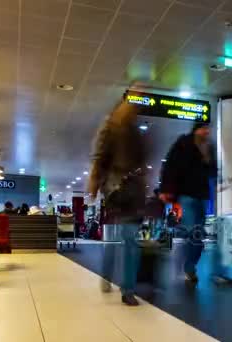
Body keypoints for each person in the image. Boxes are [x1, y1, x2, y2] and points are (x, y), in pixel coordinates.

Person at [88, 97, 147, 306]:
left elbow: (143, 162)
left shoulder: (137, 133)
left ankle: (128, 289)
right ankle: (106, 275)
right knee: (115, 239)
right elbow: (100, 156)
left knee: (131, 239)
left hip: (133, 192)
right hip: (114, 191)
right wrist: (94, 183)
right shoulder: (110, 127)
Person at [160, 122, 217, 283]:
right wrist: (165, 189)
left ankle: (190, 266)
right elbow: (170, 166)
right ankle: (185, 261)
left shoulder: (209, 147)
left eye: (208, 129)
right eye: (204, 128)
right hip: (185, 194)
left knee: (198, 235)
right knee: (192, 229)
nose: (207, 131)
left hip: (202, 195)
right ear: (196, 129)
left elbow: (213, 171)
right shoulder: (183, 143)